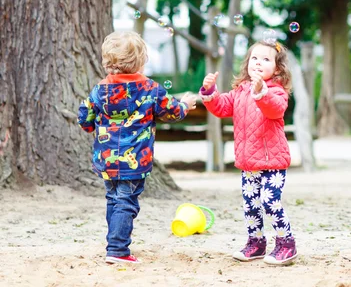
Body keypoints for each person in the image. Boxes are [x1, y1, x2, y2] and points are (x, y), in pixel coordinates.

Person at [78, 31, 197, 264]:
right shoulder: (151, 88)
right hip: (135, 160)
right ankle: (118, 249)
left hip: (107, 159)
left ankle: (114, 242)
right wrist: (185, 104)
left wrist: (91, 127)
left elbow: (84, 117)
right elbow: (171, 112)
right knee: (126, 202)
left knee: (114, 199)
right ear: (141, 62)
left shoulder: (99, 89)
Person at [199, 40, 298, 266]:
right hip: (249, 162)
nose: (258, 63)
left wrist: (261, 92)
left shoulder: (276, 91)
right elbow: (222, 107)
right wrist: (209, 92)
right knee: (250, 205)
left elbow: (275, 109)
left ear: (278, 68)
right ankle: (256, 243)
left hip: (273, 161)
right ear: (247, 63)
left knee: (269, 201)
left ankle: (286, 244)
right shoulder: (240, 90)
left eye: (266, 59)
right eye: (255, 58)